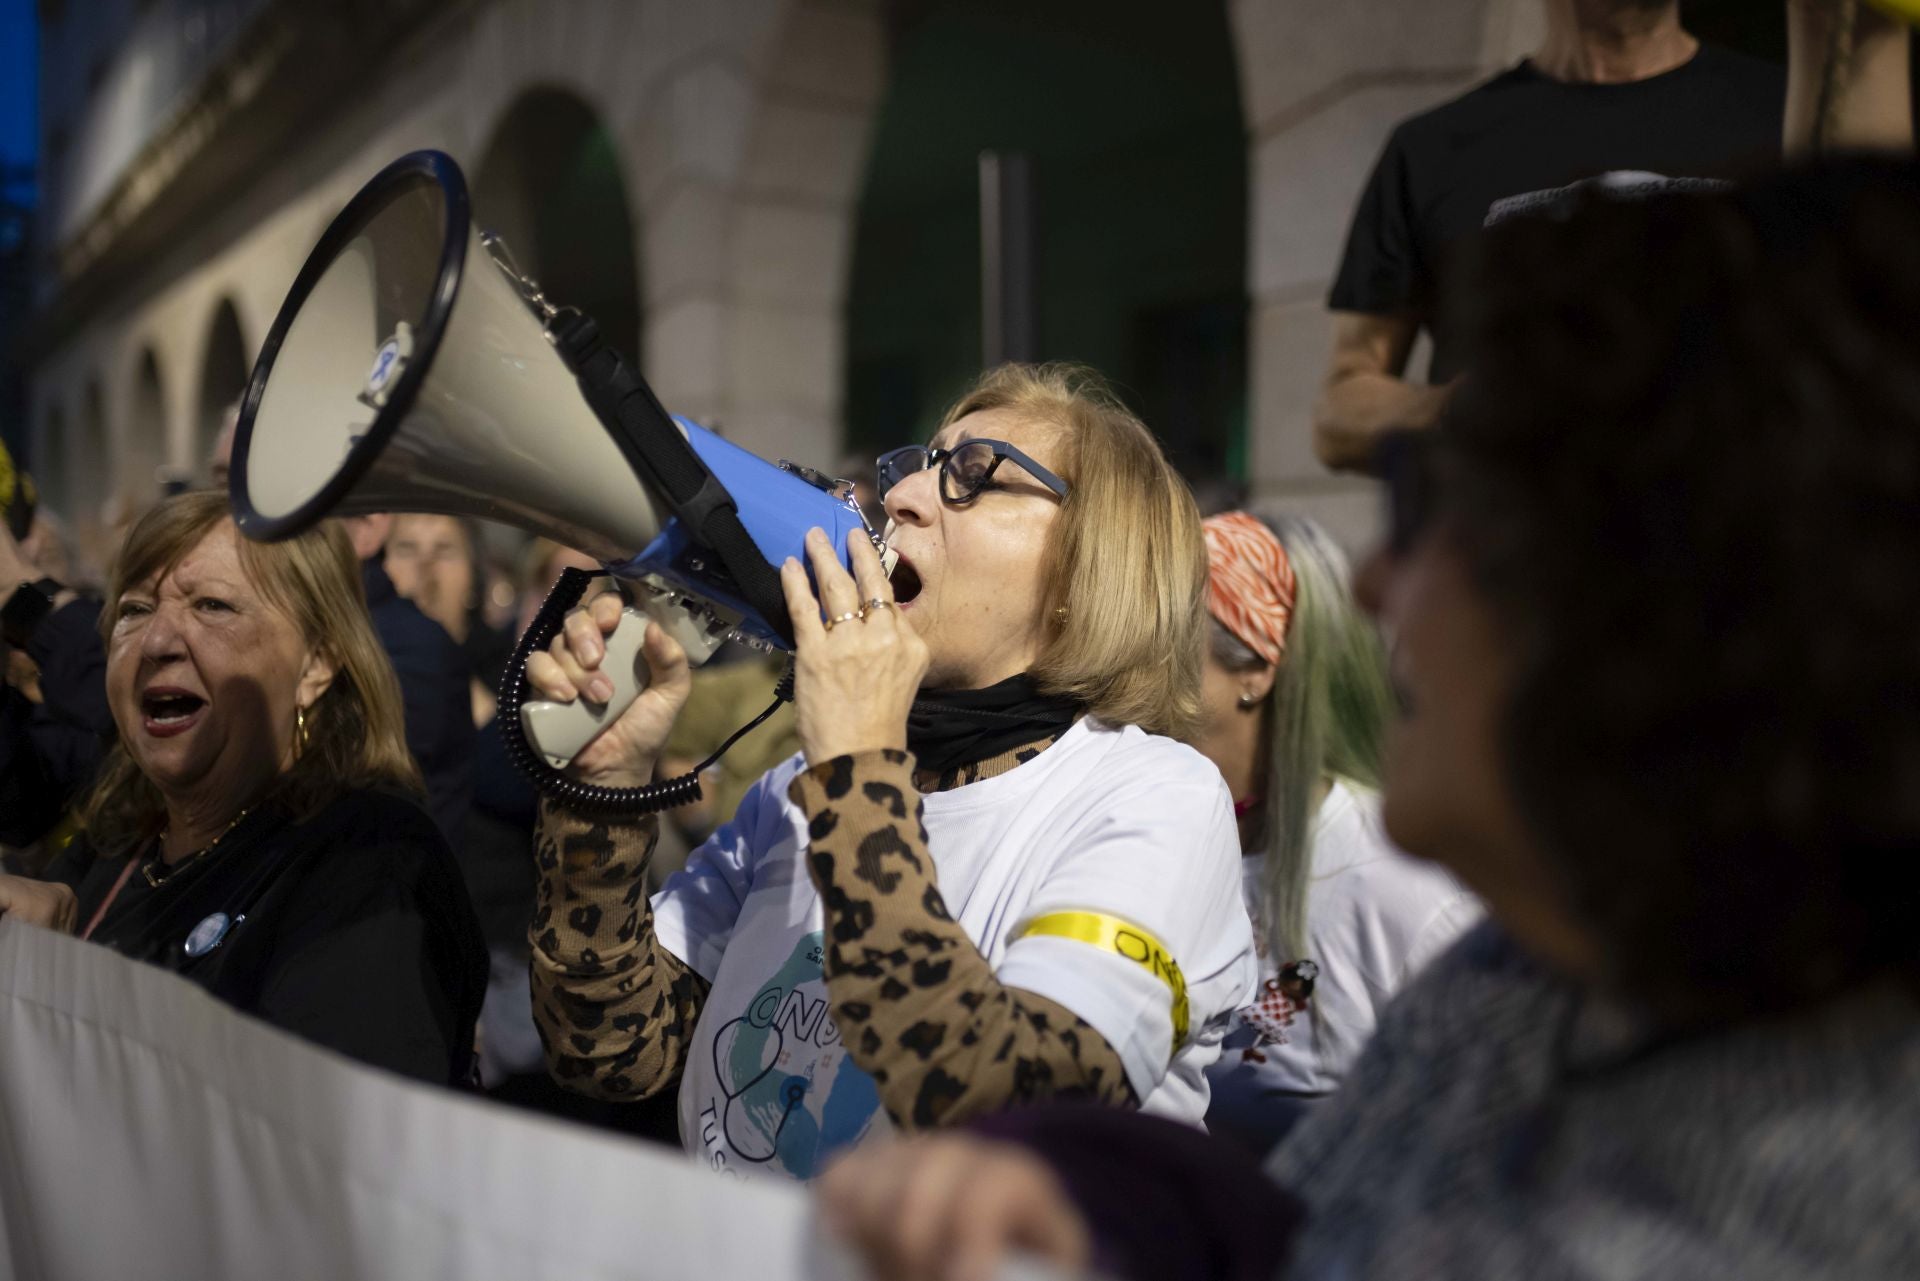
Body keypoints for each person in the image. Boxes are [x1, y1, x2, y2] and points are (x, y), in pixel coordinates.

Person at [815, 157, 1920, 1281]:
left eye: (1440, 508)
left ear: (1673, 591)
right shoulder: (1535, 970)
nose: (1382, 580)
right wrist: (1122, 1191)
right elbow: (1316, 1229)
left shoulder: (1800, 1195)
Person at [526, 363, 1257, 1178]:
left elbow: (1010, 1114)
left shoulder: (1155, 797)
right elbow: (611, 1048)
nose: (904, 496)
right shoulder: (805, 787)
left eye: (976, 475)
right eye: (919, 465)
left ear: (1090, 572)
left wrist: (858, 774)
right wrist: (606, 797)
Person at [0, 491, 486, 1086]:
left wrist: (61, 1002)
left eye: (212, 606)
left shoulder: (372, 867)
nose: (157, 642)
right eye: (132, 610)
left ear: (316, 664)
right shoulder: (116, 846)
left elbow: (303, 1152)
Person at [1313, 0, 1784, 473]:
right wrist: (1459, 406)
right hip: (1513, 533)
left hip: (1737, 530)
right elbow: (1340, 412)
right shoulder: (1430, 149)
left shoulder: (1788, 120)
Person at [1192, 511, 1475, 1156]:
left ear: (1255, 668)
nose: (1126, 656)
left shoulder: (1403, 883)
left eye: (1161, 632)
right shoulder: (1141, 844)